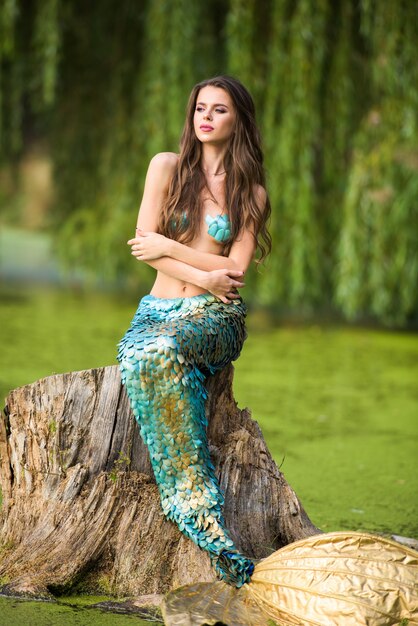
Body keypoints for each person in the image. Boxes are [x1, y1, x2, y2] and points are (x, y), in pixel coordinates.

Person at [116, 75, 271, 588]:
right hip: (158, 310)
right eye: (200, 107)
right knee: (142, 355)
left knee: (164, 352)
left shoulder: (252, 193)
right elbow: (142, 242)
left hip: (216, 318)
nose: (205, 117)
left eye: (219, 109)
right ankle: (195, 508)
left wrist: (181, 257)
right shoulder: (166, 167)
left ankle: (198, 510)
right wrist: (204, 269)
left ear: (239, 120)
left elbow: (232, 278)